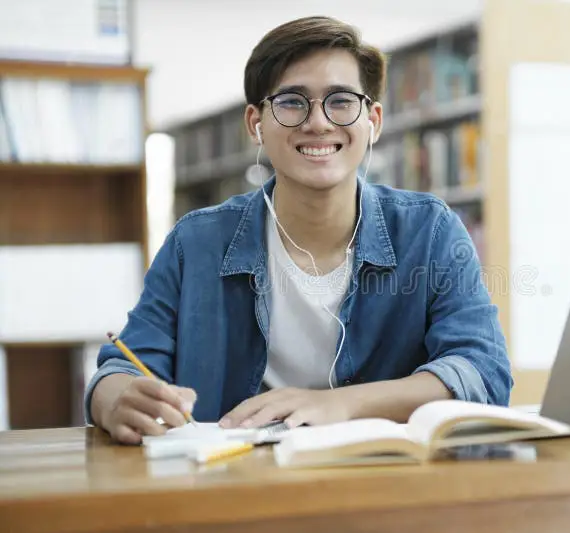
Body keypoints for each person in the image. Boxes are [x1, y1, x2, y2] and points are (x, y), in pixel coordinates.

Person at [85, 15, 512, 444]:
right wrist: (116, 397)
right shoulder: (195, 242)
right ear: (256, 124)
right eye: (292, 101)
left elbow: (482, 372)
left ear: (374, 121)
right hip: (234, 487)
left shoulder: (430, 231)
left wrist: (340, 404)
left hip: (388, 486)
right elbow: (120, 370)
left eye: (341, 100)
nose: (319, 122)